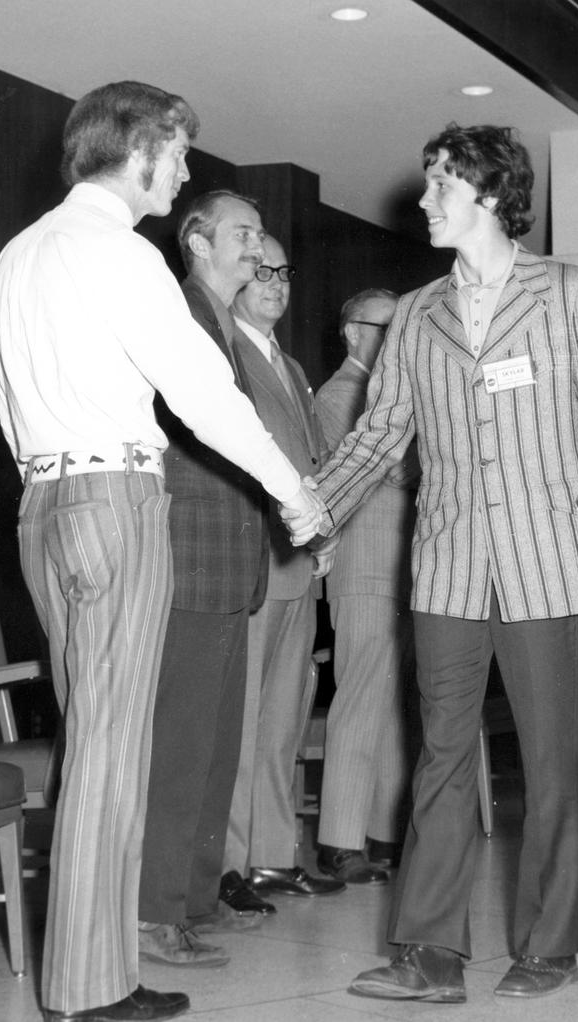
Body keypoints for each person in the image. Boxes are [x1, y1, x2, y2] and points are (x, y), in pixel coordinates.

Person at [0, 81, 325, 1022]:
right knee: (112, 750)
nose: (181, 170)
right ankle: (91, 990)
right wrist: (292, 488)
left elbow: (14, 409)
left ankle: (84, 976)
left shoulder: (18, 255)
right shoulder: (121, 254)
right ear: (138, 150)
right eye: (177, 153)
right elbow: (205, 392)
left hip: (42, 505)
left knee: (90, 743)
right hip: (115, 500)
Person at [313, 123, 578, 1003]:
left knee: (545, 765)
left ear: (490, 197)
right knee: (442, 759)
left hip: (549, 563)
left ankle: (549, 945)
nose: (424, 202)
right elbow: (382, 431)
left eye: (441, 188)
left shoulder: (569, 294)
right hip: (449, 566)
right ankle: (428, 954)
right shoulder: (415, 314)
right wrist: (314, 501)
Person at [137, 189, 276, 969]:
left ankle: (193, 898)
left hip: (229, 559)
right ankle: (154, 912)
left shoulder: (227, 322)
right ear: (196, 241)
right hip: (191, 554)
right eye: (243, 234)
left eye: (259, 235)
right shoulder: (182, 311)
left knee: (218, 746)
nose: (257, 248)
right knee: (183, 746)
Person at [223, 235, 345, 901]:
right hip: (256, 561)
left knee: (282, 719)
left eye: (282, 272)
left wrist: (325, 530)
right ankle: (231, 863)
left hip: (299, 561)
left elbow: (315, 462)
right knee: (240, 721)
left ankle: (273, 851)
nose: (275, 283)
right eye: (260, 271)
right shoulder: (226, 356)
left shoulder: (291, 366)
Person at [313, 288, 417, 886]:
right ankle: (339, 841)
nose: (394, 338)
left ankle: (382, 832)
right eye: (384, 327)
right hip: (364, 564)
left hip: (400, 564)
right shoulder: (338, 394)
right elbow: (373, 469)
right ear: (353, 332)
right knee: (359, 699)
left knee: (390, 704)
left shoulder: (390, 391)